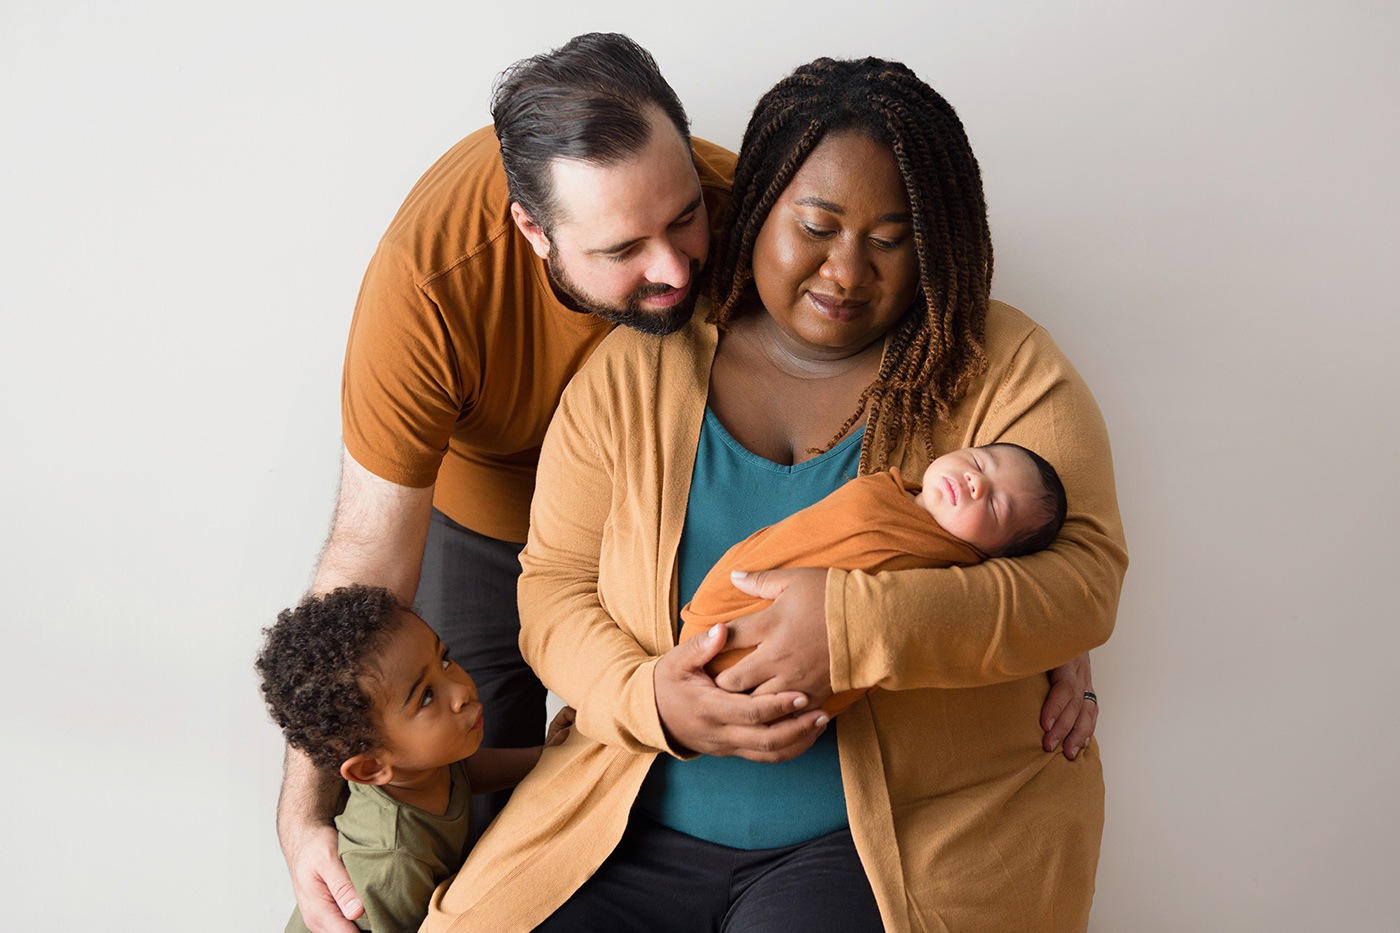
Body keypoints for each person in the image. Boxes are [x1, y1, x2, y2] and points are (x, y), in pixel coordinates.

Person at [285, 33, 1098, 931]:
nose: (845, 271)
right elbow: (482, 577)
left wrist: (909, 614)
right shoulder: (502, 316)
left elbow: (1081, 580)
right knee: (449, 809)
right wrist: (302, 813)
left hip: (869, 836)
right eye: (817, 229)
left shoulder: (981, 348)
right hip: (543, 636)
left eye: (892, 239)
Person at [257, 585, 573, 932]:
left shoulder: (418, 764)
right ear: (371, 767)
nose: (461, 691)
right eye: (425, 697)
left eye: (445, 659)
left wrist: (546, 757)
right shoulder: (393, 863)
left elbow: (464, 774)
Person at [678, 442, 1068, 716]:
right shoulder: (888, 490)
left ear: (994, 554)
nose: (976, 483)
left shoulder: (941, 570)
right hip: (723, 603)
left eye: (996, 506)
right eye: (979, 462)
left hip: (755, 670)